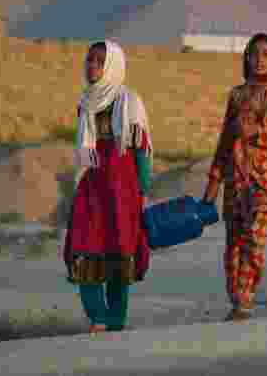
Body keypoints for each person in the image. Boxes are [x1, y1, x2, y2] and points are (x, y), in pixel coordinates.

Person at [201, 33, 267, 321]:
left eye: (266, 54)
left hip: (264, 178)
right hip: (235, 179)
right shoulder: (237, 95)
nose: (259, 59)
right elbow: (224, 142)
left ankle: (245, 298)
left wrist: (256, 132)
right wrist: (212, 185)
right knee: (233, 244)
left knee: (254, 237)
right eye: (254, 54)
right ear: (246, 58)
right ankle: (237, 303)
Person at [62, 40, 154, 334]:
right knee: (83, 247)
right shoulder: (85, 103)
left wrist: (142, 191)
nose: (92, 66)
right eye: (89, 60)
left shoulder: (130, 102)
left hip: (122, 189)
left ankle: (115, 321)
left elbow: (142, 151)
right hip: (92, 187)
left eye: (100, 61)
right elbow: (84, 152)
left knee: (120, 252)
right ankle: (97, 317)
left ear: (113, 65)